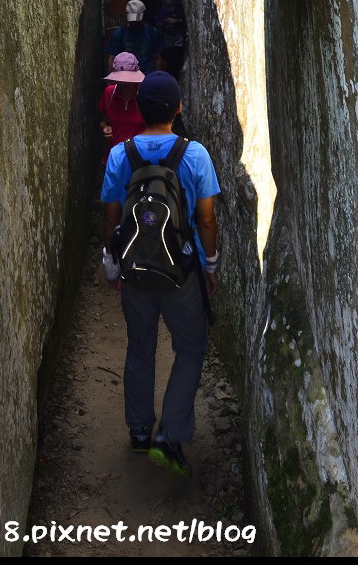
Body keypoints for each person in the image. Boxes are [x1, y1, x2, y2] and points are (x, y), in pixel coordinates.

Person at [100, 71, 220, 477]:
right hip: (181, 272)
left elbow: (113, 214)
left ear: (138, 107)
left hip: (135, 271)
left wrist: (112, 261)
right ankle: (169, 433)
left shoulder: (121, 154)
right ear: (179, 109)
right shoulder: (196, 155)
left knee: (140, 345)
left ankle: (138, 430)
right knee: (190, 348)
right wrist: (210, 264)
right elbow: (206, 218)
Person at [98, 52, 146, 165]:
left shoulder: (144, 95)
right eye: (121, 80)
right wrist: (105, 127)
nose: (124, 83)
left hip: (140, 160)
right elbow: (103, 120)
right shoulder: (109, 93)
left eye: (127, 81)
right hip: (114, 158)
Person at [105, 0, 165, 75]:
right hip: (125, 78)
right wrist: (110, 83)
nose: (135, 24)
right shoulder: (119, 34)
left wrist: (157, 79)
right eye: (132, 21)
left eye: (137, 21)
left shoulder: (152, 33)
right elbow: (112, 58)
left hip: (146, 77)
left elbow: (158, 58)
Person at [154, 0, 186, 79]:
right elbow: (161, 15)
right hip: (168, 40)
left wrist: (177, 21)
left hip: (180, 40)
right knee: (169, 64)